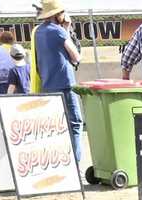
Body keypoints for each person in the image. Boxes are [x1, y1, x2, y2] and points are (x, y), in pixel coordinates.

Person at [34, 0, 84, 164]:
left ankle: (58, 162)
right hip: (65, 82)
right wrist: (67, 29)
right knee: (75, 124)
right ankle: (75, 164)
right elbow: (76, 56)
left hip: (48, 84)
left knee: (56, 126)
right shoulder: (59, 32)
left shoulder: (39, 32)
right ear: (57, 14)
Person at [0, 30, 18, 95]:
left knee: (2, 100)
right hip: (14, 79)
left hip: (0, 80)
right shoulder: (15, 48)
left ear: (1, 39)